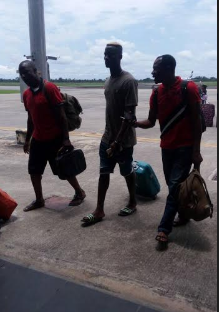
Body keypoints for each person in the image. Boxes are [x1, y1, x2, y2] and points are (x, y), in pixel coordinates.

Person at [134, 55, 203, 251]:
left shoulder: (188, 89)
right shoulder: (156, 93)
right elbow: (151, 121)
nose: (152, 72)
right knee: (174, 186)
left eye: (156, 69)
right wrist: (135, 123)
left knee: (173, 187)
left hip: (185, 147)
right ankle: (183, 214)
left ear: (169, 69)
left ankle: (164, 228)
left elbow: (197, 123)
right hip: (167, 148)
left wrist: (196, 151)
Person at [82, 42, 138, 226]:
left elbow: (129, 115)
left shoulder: (128, 81)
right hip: (107, 138)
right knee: (103, 173)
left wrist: (117, 141)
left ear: (120, 57)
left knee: (127, 172)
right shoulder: (108, 81)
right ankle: (99, 210)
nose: (106, 58)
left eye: (111, 55)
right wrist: (110, 140)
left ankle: (133, 201)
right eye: (105, 55)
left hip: (123, 141)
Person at [19, 60, 86, 212]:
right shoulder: (27, 94)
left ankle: (80, 192)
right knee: (34, 171)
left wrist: (66, 139)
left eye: (27, 73)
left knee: (64, 170)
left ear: (36, 71)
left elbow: (62, 116)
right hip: (38, 139)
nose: (25, 77)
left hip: (54, 139)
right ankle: (39, 200)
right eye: (22, 75)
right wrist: (27, 140)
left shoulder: (49, 88)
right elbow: (31, 119)